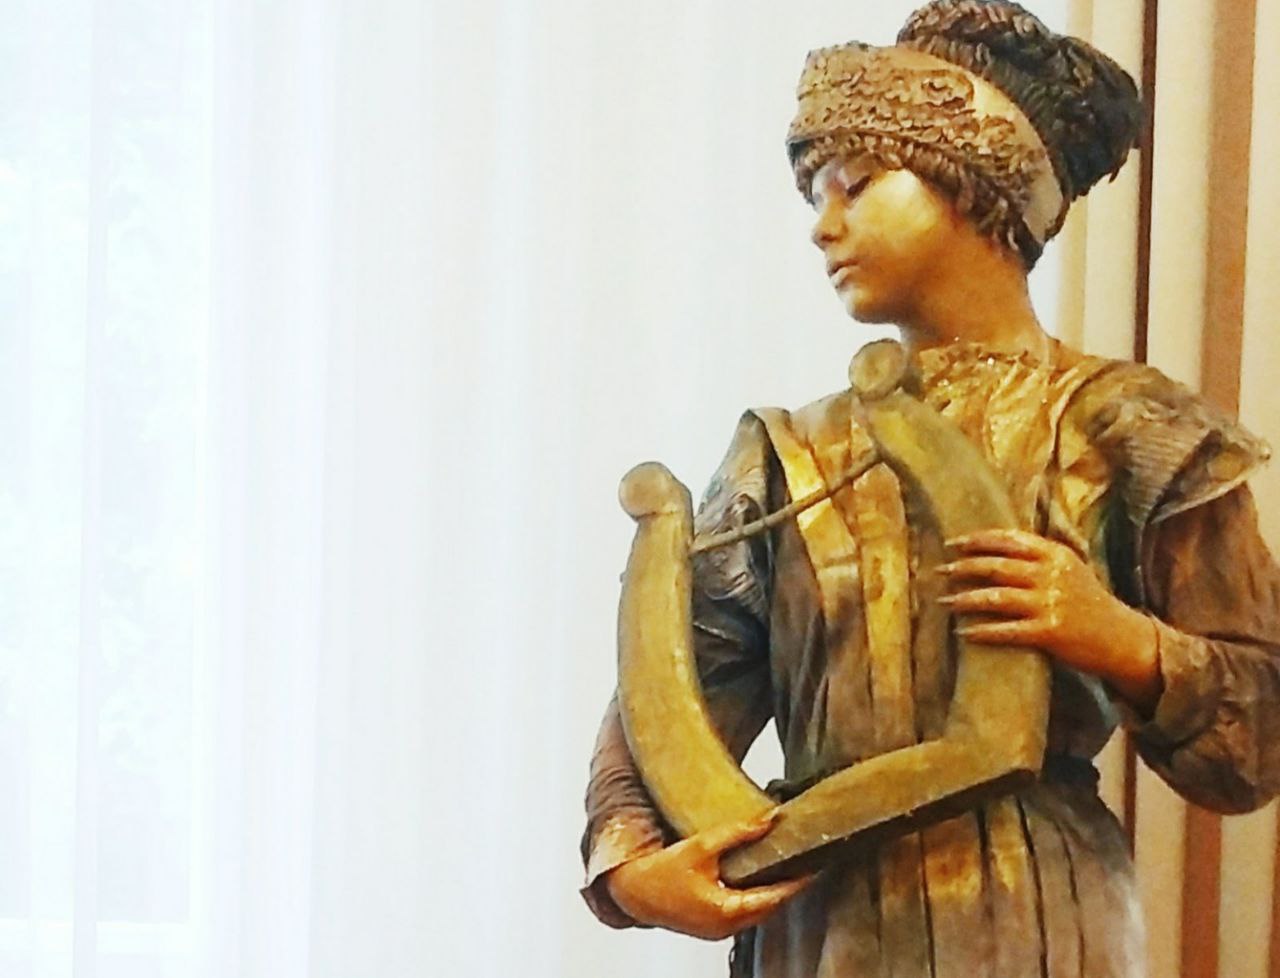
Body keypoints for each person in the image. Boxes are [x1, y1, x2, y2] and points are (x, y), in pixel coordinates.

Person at [580, 2, 1280, 976]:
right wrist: (629, 866)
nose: (824, 226)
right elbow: (670, 701)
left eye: (856, 184)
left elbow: (1255, 739)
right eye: (814, 196)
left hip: (1041, 912)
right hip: (818, 914)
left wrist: (1117, 638)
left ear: (971, 182)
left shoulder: (1130, 426)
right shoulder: (786, 454)